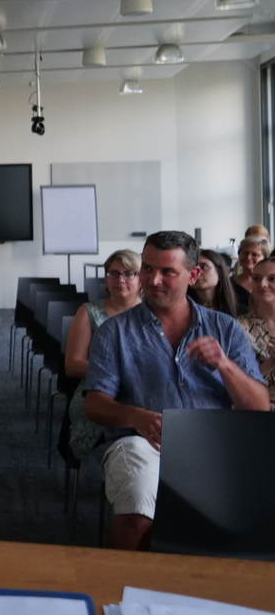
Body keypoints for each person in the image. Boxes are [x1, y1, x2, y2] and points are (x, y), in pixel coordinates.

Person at [84, 231, 267, 551]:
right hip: (142, 443)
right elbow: (95, 404)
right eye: (148, 268)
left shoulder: (225, 328)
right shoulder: (114, 332)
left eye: (167, 271)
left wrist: (224, 365)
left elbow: (259, 407)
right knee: (138, 502)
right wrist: (137, 417)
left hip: (216, 446)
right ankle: (131, 579)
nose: (154, 280)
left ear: (192, 275)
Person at [63, 249, 142, 460]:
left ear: (141, 279)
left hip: (143, 392)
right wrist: (118, 375)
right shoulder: (88, 311)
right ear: (106, 280)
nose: (120, 280)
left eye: (129, 273)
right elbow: (73, 365)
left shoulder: (153, 313)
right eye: (114, 273)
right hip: (97, 391)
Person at [239, 256, 275, 406]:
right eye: (257, 279)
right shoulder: (240, 327)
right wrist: (271, 362)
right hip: (260, 409)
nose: (263, 284)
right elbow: (239, 382)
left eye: (272, 279)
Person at [189, 249, 240, 318]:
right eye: (192, 268)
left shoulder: (238, 311)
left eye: (204, 267)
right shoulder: (182, 310)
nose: (196, 272)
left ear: (219, 273)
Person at [231, 236, 270, 313]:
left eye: (254, 254)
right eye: (245, 253)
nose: (248, 257)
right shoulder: (228, 285)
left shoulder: (271, 283)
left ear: (265, 258)